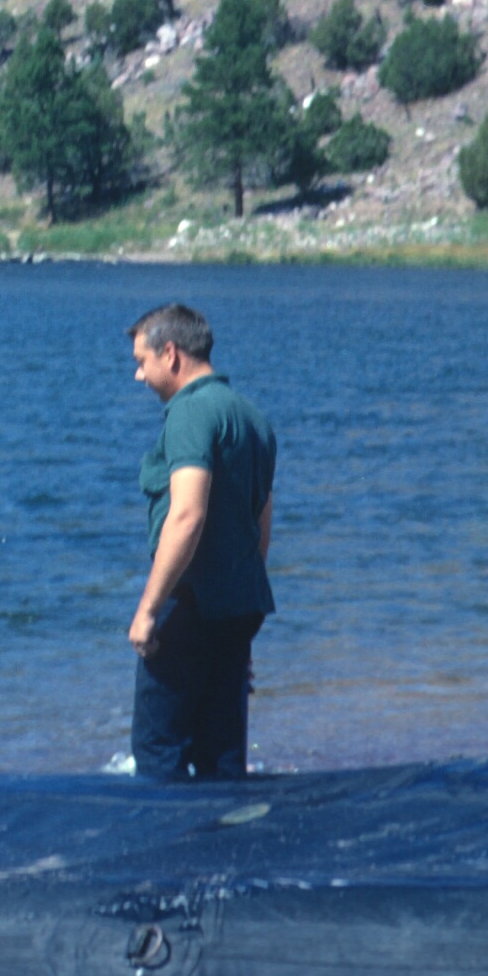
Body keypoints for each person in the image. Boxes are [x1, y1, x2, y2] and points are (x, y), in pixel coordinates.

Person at [126, 302, 276, 779]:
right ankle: (225, 846)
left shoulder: (190, 413)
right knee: (223, 755)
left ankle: (163, 850)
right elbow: (261, 527)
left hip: (189, 606)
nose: (138, 376)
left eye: (141, 361)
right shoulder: (253, 419)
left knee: (158, 752)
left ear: (170, 354)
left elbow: (186, 514)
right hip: (238, 607)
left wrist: (149, 611)